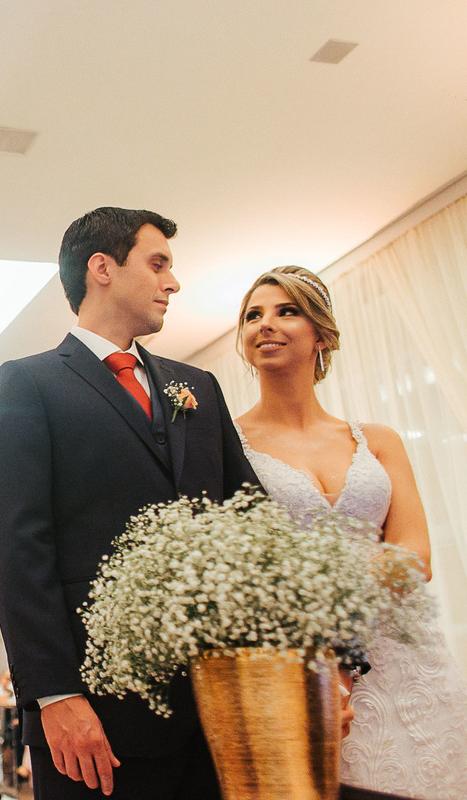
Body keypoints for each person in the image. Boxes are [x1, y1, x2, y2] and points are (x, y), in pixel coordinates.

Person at [0, 207, 257, 799]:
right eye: (158, 264)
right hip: (94, 717)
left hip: (215, 710)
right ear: (102, 268)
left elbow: (250, 521)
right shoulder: (29, 383)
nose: (173, 283)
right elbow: (17, 548)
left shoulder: (199, 388)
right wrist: (55, 695)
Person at [234, 265, 467, 800]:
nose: (265, 324)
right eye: (253, 316)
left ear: (321, 335)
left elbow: (417, 557)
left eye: (286, 311)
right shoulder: (229, 445)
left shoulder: (378, 439)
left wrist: (326, 584)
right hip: (302, 659)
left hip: (405, 656)